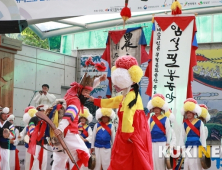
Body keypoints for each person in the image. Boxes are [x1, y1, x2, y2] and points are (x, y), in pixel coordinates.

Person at [88, 55, 153, 170]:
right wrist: (96, 101)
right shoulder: (128, 94)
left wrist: (127, 134)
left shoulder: (131, 95)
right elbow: (114, 101)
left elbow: (128, 116)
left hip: (130, 132)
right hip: (130, 131)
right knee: (131, 159)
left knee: (128, 159)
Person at [53, 73, 107, 170]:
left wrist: (99, 80)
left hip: (58, 134)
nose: (87, 95)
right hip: (68, 133)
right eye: (85, 92)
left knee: (59, 162)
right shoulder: (76, 101)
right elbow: (69, 116)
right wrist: (60, 128)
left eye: (88, 93)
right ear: (80, 90)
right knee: (85, 153)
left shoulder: (69, 95)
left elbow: (86, 87)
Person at [179, 98, 206, 170]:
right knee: (187, 163)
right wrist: (181, 146)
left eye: (190, 113)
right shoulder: (184, 124)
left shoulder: (199, 122)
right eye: (187, 113)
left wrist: (203, 147)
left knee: (196, 163)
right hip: (188, 146)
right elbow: (182, 136)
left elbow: (203, 135)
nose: (189, 114)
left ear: (194, 113)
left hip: (197, 146)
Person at [147, 94, 170, 170]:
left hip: (162, 143)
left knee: (161, 162)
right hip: (152, 142)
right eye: (155, 108)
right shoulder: (150, 118)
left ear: (161, 109)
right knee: (152, 161)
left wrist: (168, 143)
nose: (156, 110)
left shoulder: (166, 119)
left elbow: (168, 132)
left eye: (158, 108)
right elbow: (147, 131)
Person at [27, 106, 48, 170]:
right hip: (35, 143)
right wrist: (40, 133)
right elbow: (31, 130)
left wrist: (46, 134)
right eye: (41, 111)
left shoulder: (47, 119)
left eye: (44, 111)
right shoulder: (33, 119)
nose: (43, 112)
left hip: (44, 142)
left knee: (44, 160)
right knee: (36, 159)